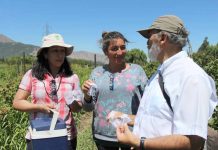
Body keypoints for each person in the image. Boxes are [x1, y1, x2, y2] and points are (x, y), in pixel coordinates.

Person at [116, 15, 218, 150]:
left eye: (149, 36)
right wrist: (125, 117)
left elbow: (193, 142)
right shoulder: (159, 73)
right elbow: (156, 118)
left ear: (163, 38)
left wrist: (138, 142)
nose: (147, 42)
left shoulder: (191, 77)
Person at [12, 33, 83, 150]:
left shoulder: (72, 77)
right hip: (39, 134)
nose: (60, 55)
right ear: (45, 54)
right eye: (55, 51)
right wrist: (40, 107)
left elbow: (78, 108)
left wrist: (74, 103)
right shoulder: (32, 75)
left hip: (65, 135)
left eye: (62, 51)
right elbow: (17, 102)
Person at [81, 31, 148, 150]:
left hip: (130, 135)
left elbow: (148, 104)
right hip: (102, 137)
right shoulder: (97, 73)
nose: (120, 52)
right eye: (114, 48)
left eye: (123, 47)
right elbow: (88, 108)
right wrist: (86, 96)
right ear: (106, 52)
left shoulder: (137, 72)